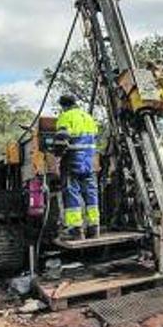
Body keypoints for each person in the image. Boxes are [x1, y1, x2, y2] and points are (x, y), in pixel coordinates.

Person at [55, 94, 100, 240]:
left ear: (64, 106)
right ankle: (94, 228)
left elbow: (62, 140)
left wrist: (56, 154)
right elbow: (94, 138)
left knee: (71, 192)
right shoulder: (88, 117)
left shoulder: (66, 116)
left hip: (73, 160)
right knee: (91, 193)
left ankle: (76, 230)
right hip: (89, 161)